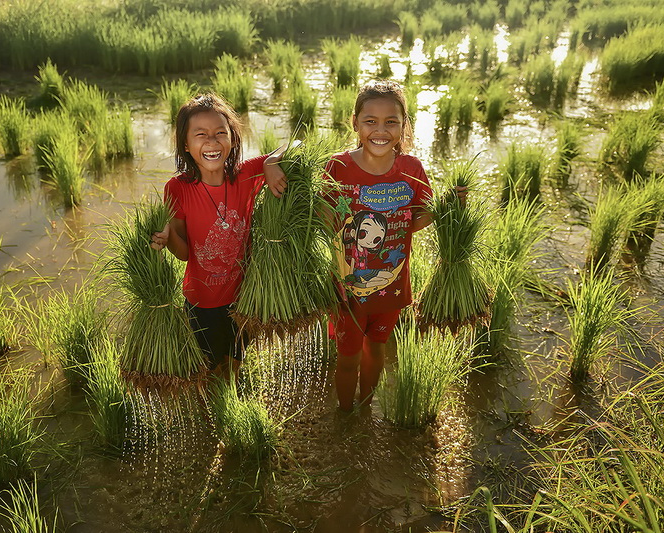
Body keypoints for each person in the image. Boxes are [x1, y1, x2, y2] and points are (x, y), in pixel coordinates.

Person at [270, 79, 465, 412]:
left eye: (391, 121)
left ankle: (366, 403)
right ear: (355, 123)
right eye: (370, 121)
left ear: (404, 125)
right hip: (347, 290)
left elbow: (415, 221)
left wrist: (446, 207)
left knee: (377, 348)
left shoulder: (412, 169)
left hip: (392, 285)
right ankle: (346, 412)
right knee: (347, 357)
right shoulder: (338, 166)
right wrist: (278, 171)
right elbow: (320, 217)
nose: (381, 129)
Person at [150, 93, 286, 379]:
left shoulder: (246, 174)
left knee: (236, 359)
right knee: (207, 367)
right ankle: (214, 407)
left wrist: (271, 163)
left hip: (244, 297)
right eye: (200, 135)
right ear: (186, 144)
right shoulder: (178, 188)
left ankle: (231, 395)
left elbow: (291, 146)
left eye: (219, 133)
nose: (211, 142)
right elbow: (184, 252)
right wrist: (166, 237)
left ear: (233, 140)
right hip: (202, 302)